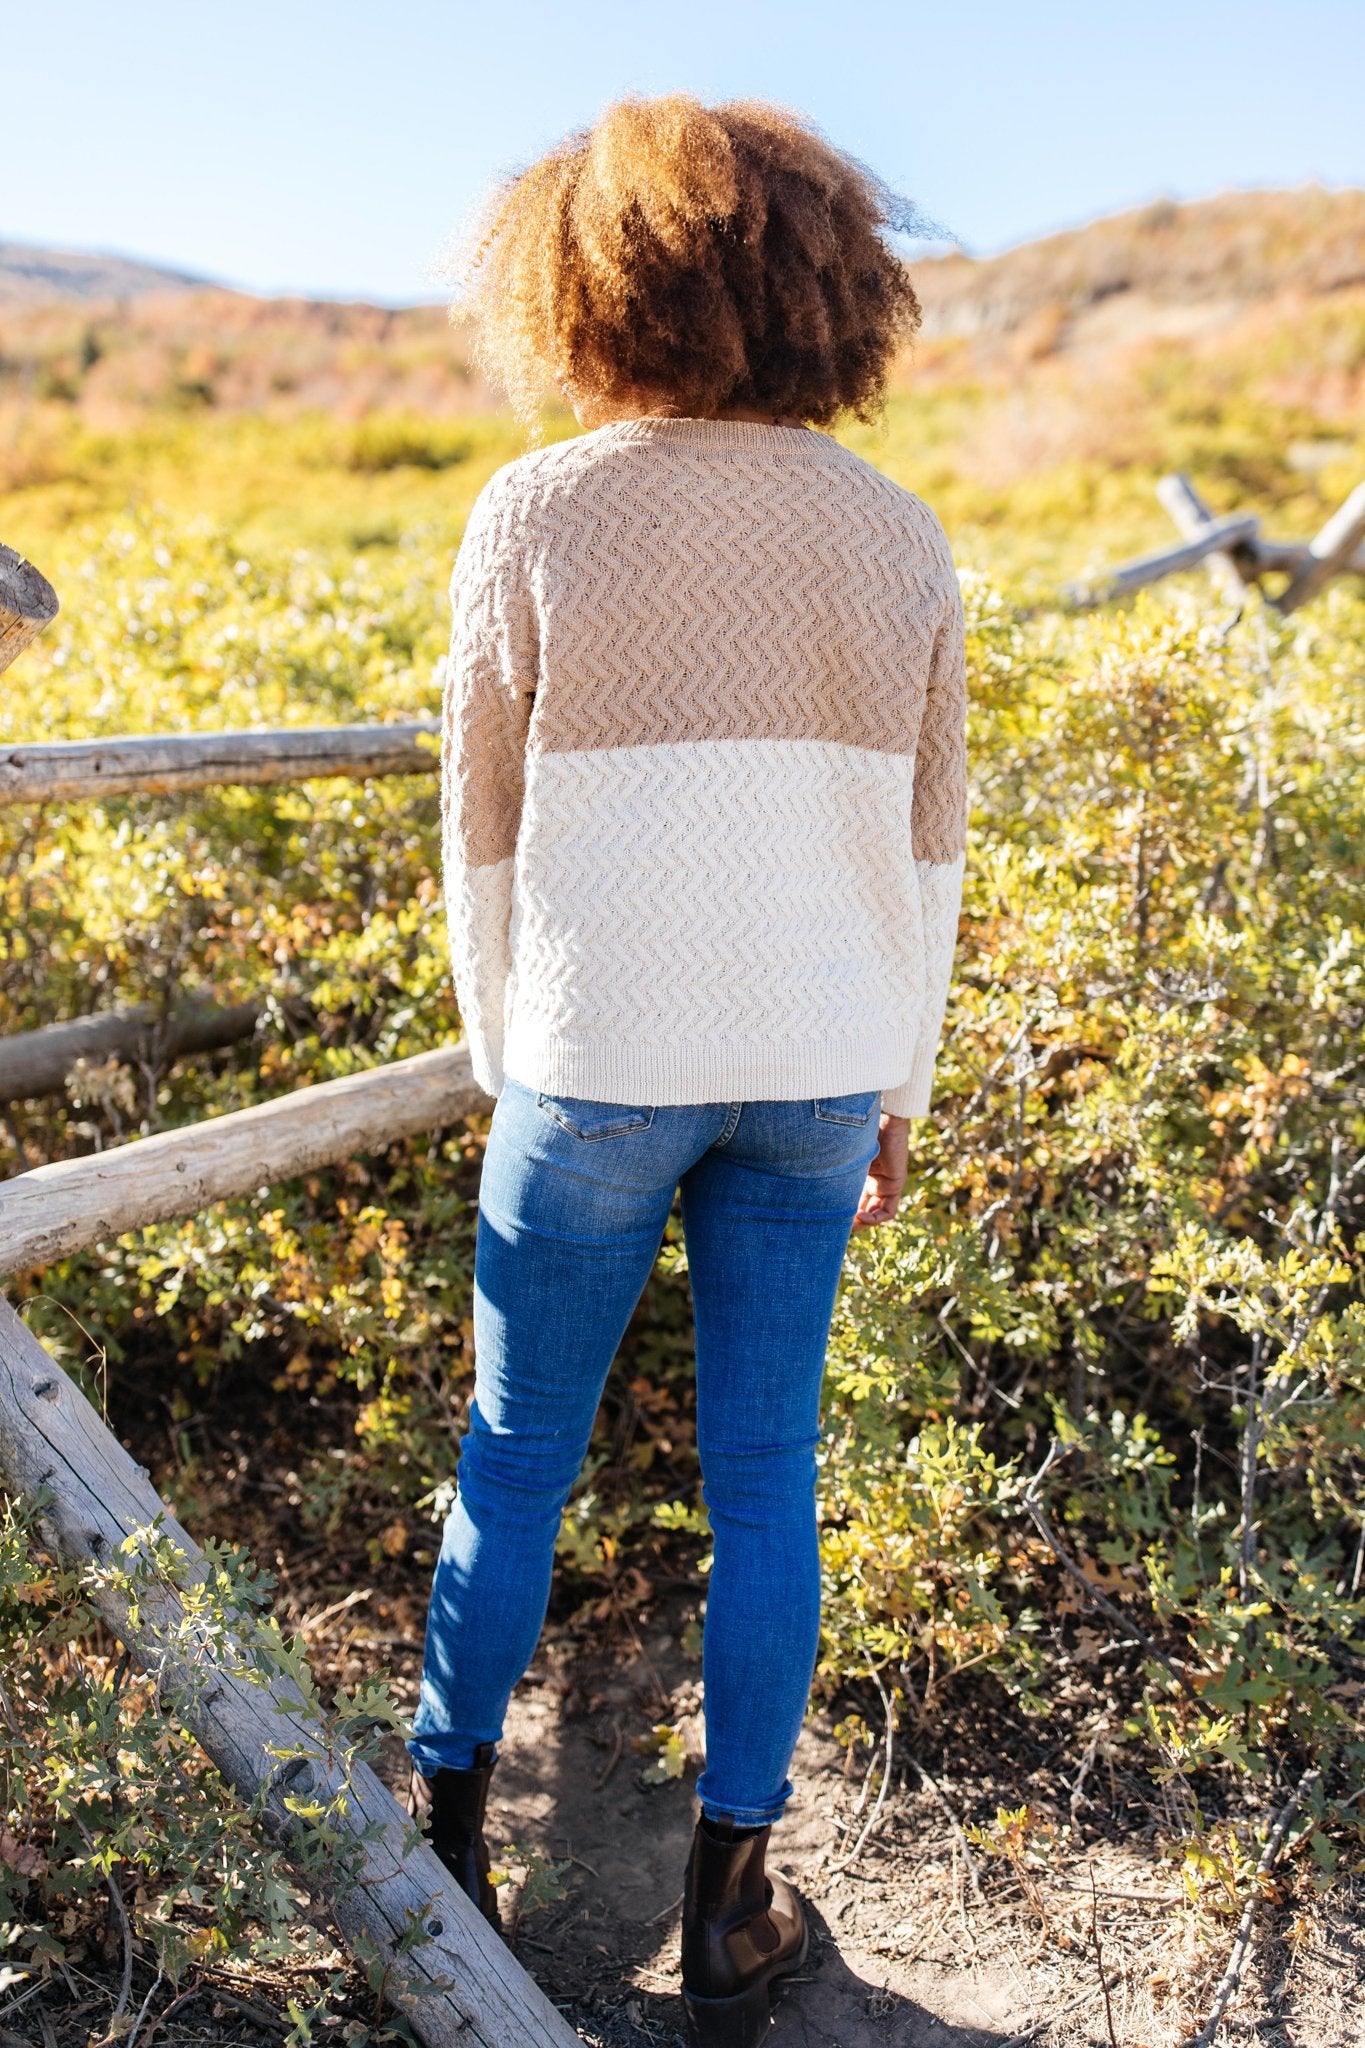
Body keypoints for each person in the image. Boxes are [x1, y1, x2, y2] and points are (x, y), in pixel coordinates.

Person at [405, 93, 967, 2047]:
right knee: (764, 1486)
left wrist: (515, 1058)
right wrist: (892, 1086)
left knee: (513, 1460)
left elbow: (479, 840)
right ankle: (730, 1907)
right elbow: (923, 859)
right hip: (815, 1068)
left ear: (577, 278)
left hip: (593, 1064)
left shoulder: (535, 511)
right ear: (822, 283)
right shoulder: (892, 535)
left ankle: (445, 1853)